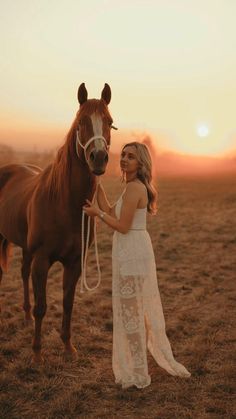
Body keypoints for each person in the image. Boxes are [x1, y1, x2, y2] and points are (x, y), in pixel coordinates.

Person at [83, 141, 191, 389]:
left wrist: (96, 215)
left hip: (133, 251)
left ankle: (139, 371)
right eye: (122, 154)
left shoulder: (135, 188)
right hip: (128, 249)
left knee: (131, 313)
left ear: (140, 163)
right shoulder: (129, 187)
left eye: (130, 156)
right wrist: (97, 187)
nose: (124, 159)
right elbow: (112, 211)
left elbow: (120, 225)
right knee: (131, 312)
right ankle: (136, 364)